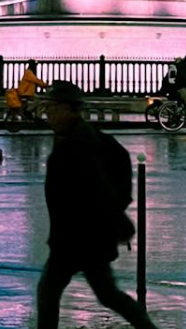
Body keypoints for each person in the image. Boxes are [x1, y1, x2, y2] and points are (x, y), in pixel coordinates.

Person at [36, 80, 157, 329]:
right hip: (83, 235)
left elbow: (97, 186)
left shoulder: (78, 143)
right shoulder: (72, 136)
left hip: (79, 235)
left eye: (52, 106)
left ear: (68, 109)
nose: (47, 112)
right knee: (106, 294)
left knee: (50, 292)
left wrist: (117, 220)